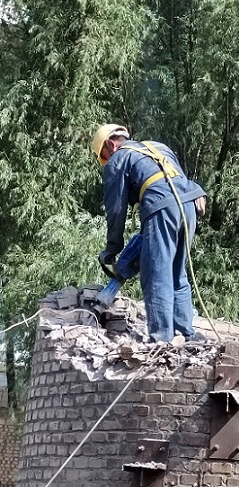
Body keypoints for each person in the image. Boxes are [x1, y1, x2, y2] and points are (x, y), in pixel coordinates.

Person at [91, 124, 207, 343]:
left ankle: (161, 338)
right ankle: (186, 333)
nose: (107, 161)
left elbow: (115, 210)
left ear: (110, 145)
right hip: (188, 206)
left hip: (162, 207)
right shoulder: (158, 147)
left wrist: (112, 249)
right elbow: (175, 180)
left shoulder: (118, 159)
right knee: (177, 271)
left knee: (156, 273)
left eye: (104, 156)